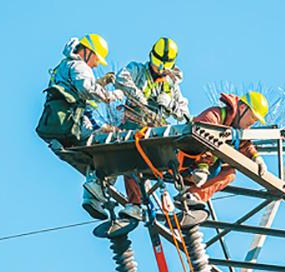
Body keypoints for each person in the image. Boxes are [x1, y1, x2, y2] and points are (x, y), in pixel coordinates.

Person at [36, 33, 124, 220]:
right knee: (108, 144)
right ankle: (95, 186)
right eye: (96, 60)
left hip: (58, 125)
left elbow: (76, 88)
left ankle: (91, 199)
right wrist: (111, 95)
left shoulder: (65, 64)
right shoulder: (79, 65)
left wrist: (100, 83)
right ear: (87, 52)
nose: (96, 65)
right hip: (74, 122)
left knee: (95, 150)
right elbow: (85, 88)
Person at [114, 37, 190, 219]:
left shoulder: (171, 85)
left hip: (156, 132)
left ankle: (188, 195)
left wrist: (171, 104)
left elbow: (186, 115)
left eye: (165, 64)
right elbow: (121, 78)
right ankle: (135, 204)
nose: (160, 68)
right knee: (129, 159)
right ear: (151, 56)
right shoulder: (137, 70)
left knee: (179, 156)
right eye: (157, 62)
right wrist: (139, 98)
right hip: (133, 127)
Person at [176, 91, 269, 209]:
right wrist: (202, 167)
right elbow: (200, 141)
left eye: (255, 120)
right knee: (205, 144)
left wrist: (256, 157)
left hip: (201, 173)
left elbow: (244, 146)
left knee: (229, 174)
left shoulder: (235, 132)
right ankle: (190, 185)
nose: (251, 123)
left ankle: (193, 196)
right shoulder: (214, 115)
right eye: (252, 117)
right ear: (242, 107)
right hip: (185, 163)